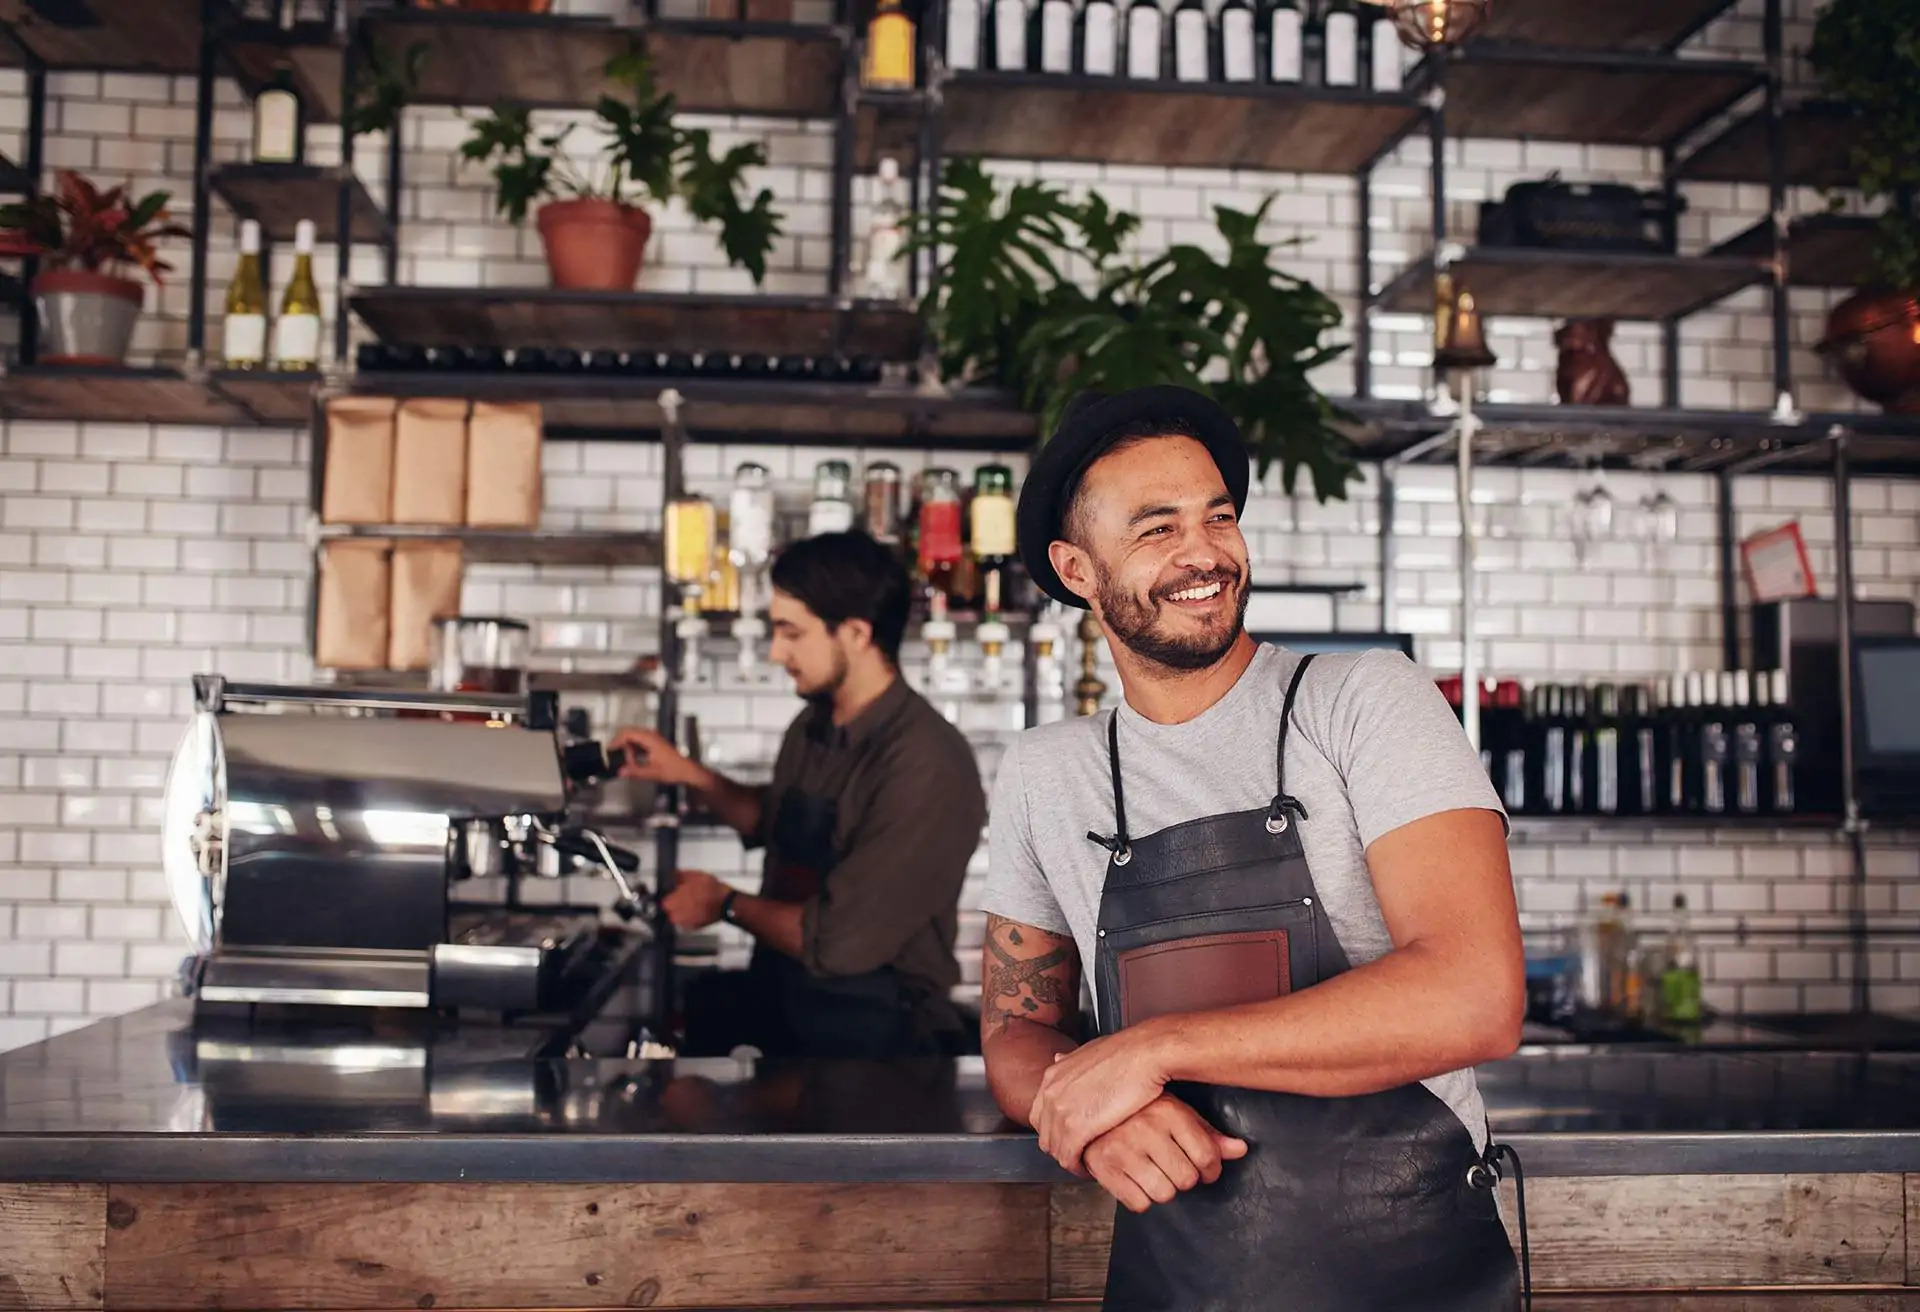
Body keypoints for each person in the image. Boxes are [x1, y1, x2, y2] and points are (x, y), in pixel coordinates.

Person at [979, 386, 1527, 1309]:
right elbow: (1017, 1028)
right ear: (1077, 569)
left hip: (1409, 1274)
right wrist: (1086, 1116)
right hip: (1177, 1281)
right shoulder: (1046, 772)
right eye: (1156, 528)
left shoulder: (1362, 701)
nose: (1204, 553)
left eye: (1218, 517)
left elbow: (1475, 997)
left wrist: (1148, 1052)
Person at [612, 531, 985, 1060]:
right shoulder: (813, 724)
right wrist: (688, 774)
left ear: (855, 633)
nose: (774, 651)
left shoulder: (926, 764)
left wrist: (724, 904)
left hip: (877, 1041)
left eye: (790, 632)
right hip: (793, 1008)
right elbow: (775, 820)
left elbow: (841, 941)